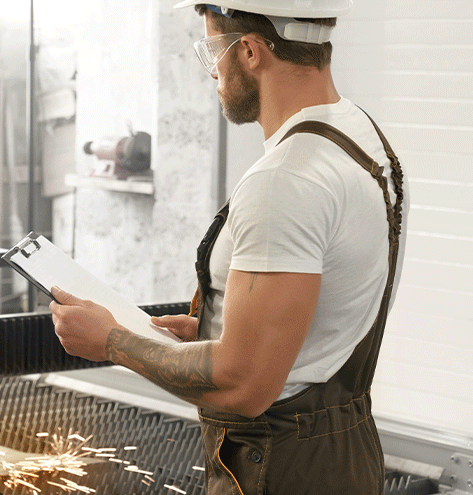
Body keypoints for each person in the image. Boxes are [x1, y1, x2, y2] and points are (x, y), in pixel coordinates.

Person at [50, 0, 408, 493]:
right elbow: (327, 313)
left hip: (280, 466)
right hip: (343, 453)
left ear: (250, 52)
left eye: (211, 50)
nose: (211, 70)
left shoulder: (286, 180)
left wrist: (111, 340)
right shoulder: (360, 137)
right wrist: (221, 328)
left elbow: (244, 383)